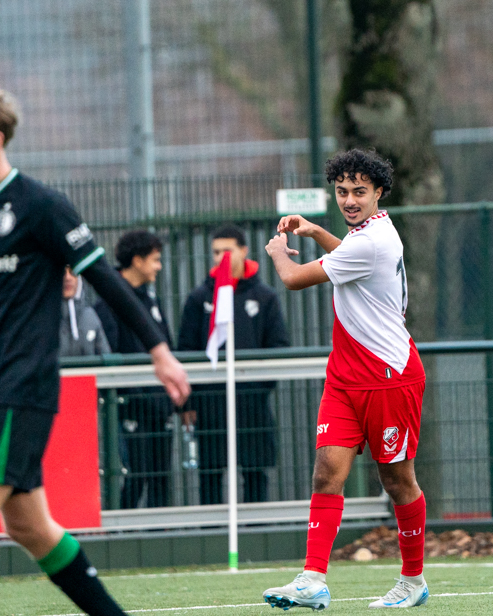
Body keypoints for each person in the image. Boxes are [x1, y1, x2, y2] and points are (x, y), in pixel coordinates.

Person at [0, 79, 190, 616]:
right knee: (29, 525)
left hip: (24, 385)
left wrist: (159, 349)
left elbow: (108, 280)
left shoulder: (40, 206)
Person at [262, 149, 429, 609]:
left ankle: (413, 582)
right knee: (325, 473)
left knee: (397, 481)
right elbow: (349, 257)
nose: (350, 200)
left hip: (389, 377)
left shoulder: (372, 241)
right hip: (345, 377)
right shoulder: (367, 235)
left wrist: (278, 252)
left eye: (359, 192)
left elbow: (294, 279)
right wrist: (316, 230)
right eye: (342, 192)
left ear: (379, 192)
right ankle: (312, 578)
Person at [177, 224, 289, 504]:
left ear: (243, 251)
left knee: (255, 473)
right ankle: (212, 536)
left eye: (226, 251)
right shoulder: (199, 297)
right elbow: (185, 351)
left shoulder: (265, 298)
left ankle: (258, 535)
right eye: (215, 252)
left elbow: (278, 347)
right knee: (210, 475)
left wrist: (258, 387)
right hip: (210, 405)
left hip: (253, 405)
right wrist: (189, 403)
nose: (219, 258)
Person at [94, 230, 175, 508]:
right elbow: (111, 355)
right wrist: (137, 395)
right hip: (130, 409)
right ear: (137, 261)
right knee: (135, 476)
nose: (159, 266)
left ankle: (162, 536)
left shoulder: (151, 299)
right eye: (155, 260)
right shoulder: (108, 304)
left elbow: (167, 343)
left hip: (159, 407)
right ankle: (122, 533)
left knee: (161, 479)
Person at [59, 267, 111, 357]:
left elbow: (105, 354)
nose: (68, 278)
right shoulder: (43, 317)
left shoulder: (90, 315)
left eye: (73, 273)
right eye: (62, 273)